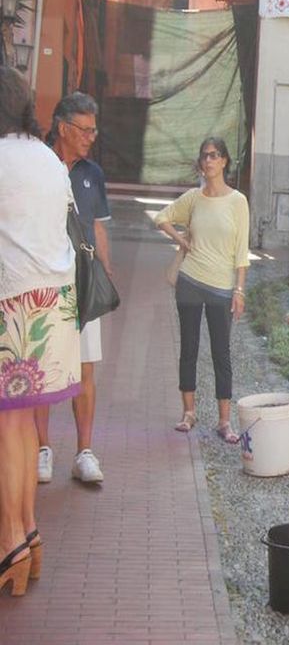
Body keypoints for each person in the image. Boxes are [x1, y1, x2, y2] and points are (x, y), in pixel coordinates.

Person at [0, 67, 81, 596]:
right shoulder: (48, 159)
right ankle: (28, 535)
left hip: (13, 302)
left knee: (8, 426)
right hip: (54, 306)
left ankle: (10, 542)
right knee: (24, 423)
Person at [34, 92, 111, 485]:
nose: (90, 138)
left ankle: (84, 452)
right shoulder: (38, 165)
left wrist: (105, 275)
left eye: (94, 130)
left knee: (85, 369)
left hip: (83, 284)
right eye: (84, 130)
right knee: (43, 371)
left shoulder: (92, 173)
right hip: (45, 284)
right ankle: (42, 450)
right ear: (62, 128)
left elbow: (97, 226)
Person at [155, 137, 249, 443]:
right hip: (190, 282)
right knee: (189, 349)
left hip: (222, 288)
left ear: (224, 161)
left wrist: (239, 290)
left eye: (214, 155)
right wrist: (181, 241)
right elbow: (161, 218)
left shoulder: (238, 201)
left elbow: (242, 251)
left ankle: (224, 421)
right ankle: (188, 413)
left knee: (222, 353)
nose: (208, 160)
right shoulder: (193, 198)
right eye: (204, 156)